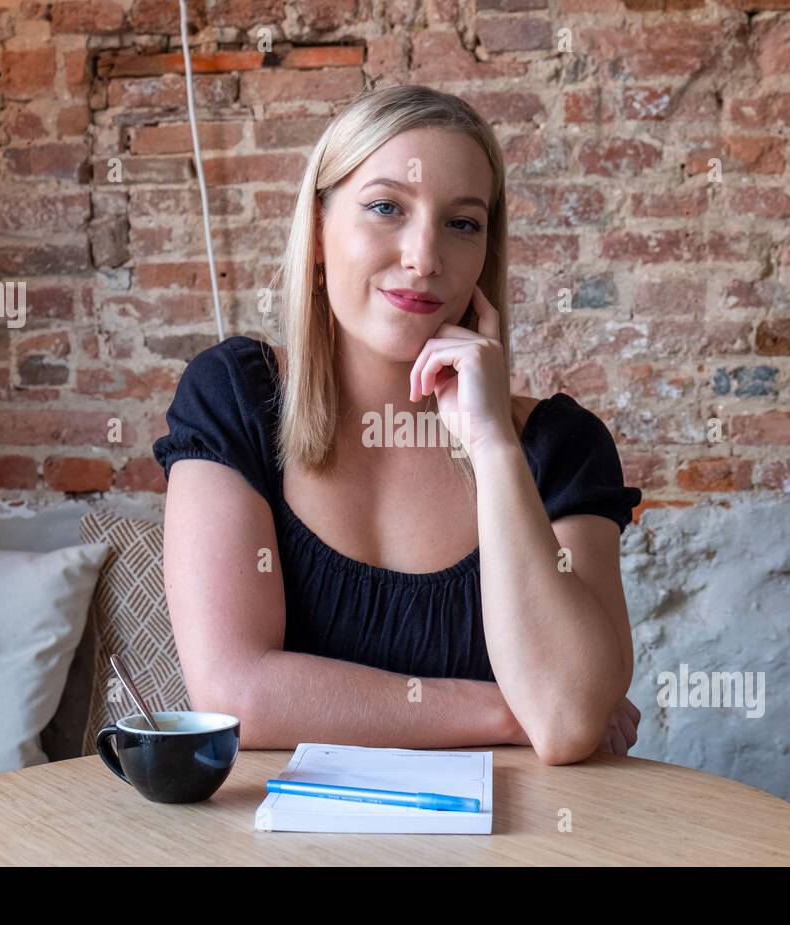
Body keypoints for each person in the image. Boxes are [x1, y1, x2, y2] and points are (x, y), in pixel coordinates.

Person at [153, 85, 642, 764]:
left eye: (462, 223)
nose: (423, 256)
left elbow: (562, 720)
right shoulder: (234, 397)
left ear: (485, 256)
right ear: (320, 233)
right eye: (386, 208)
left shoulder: (560, 447)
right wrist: (502, 709)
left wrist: (493, 445)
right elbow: (236, 694)